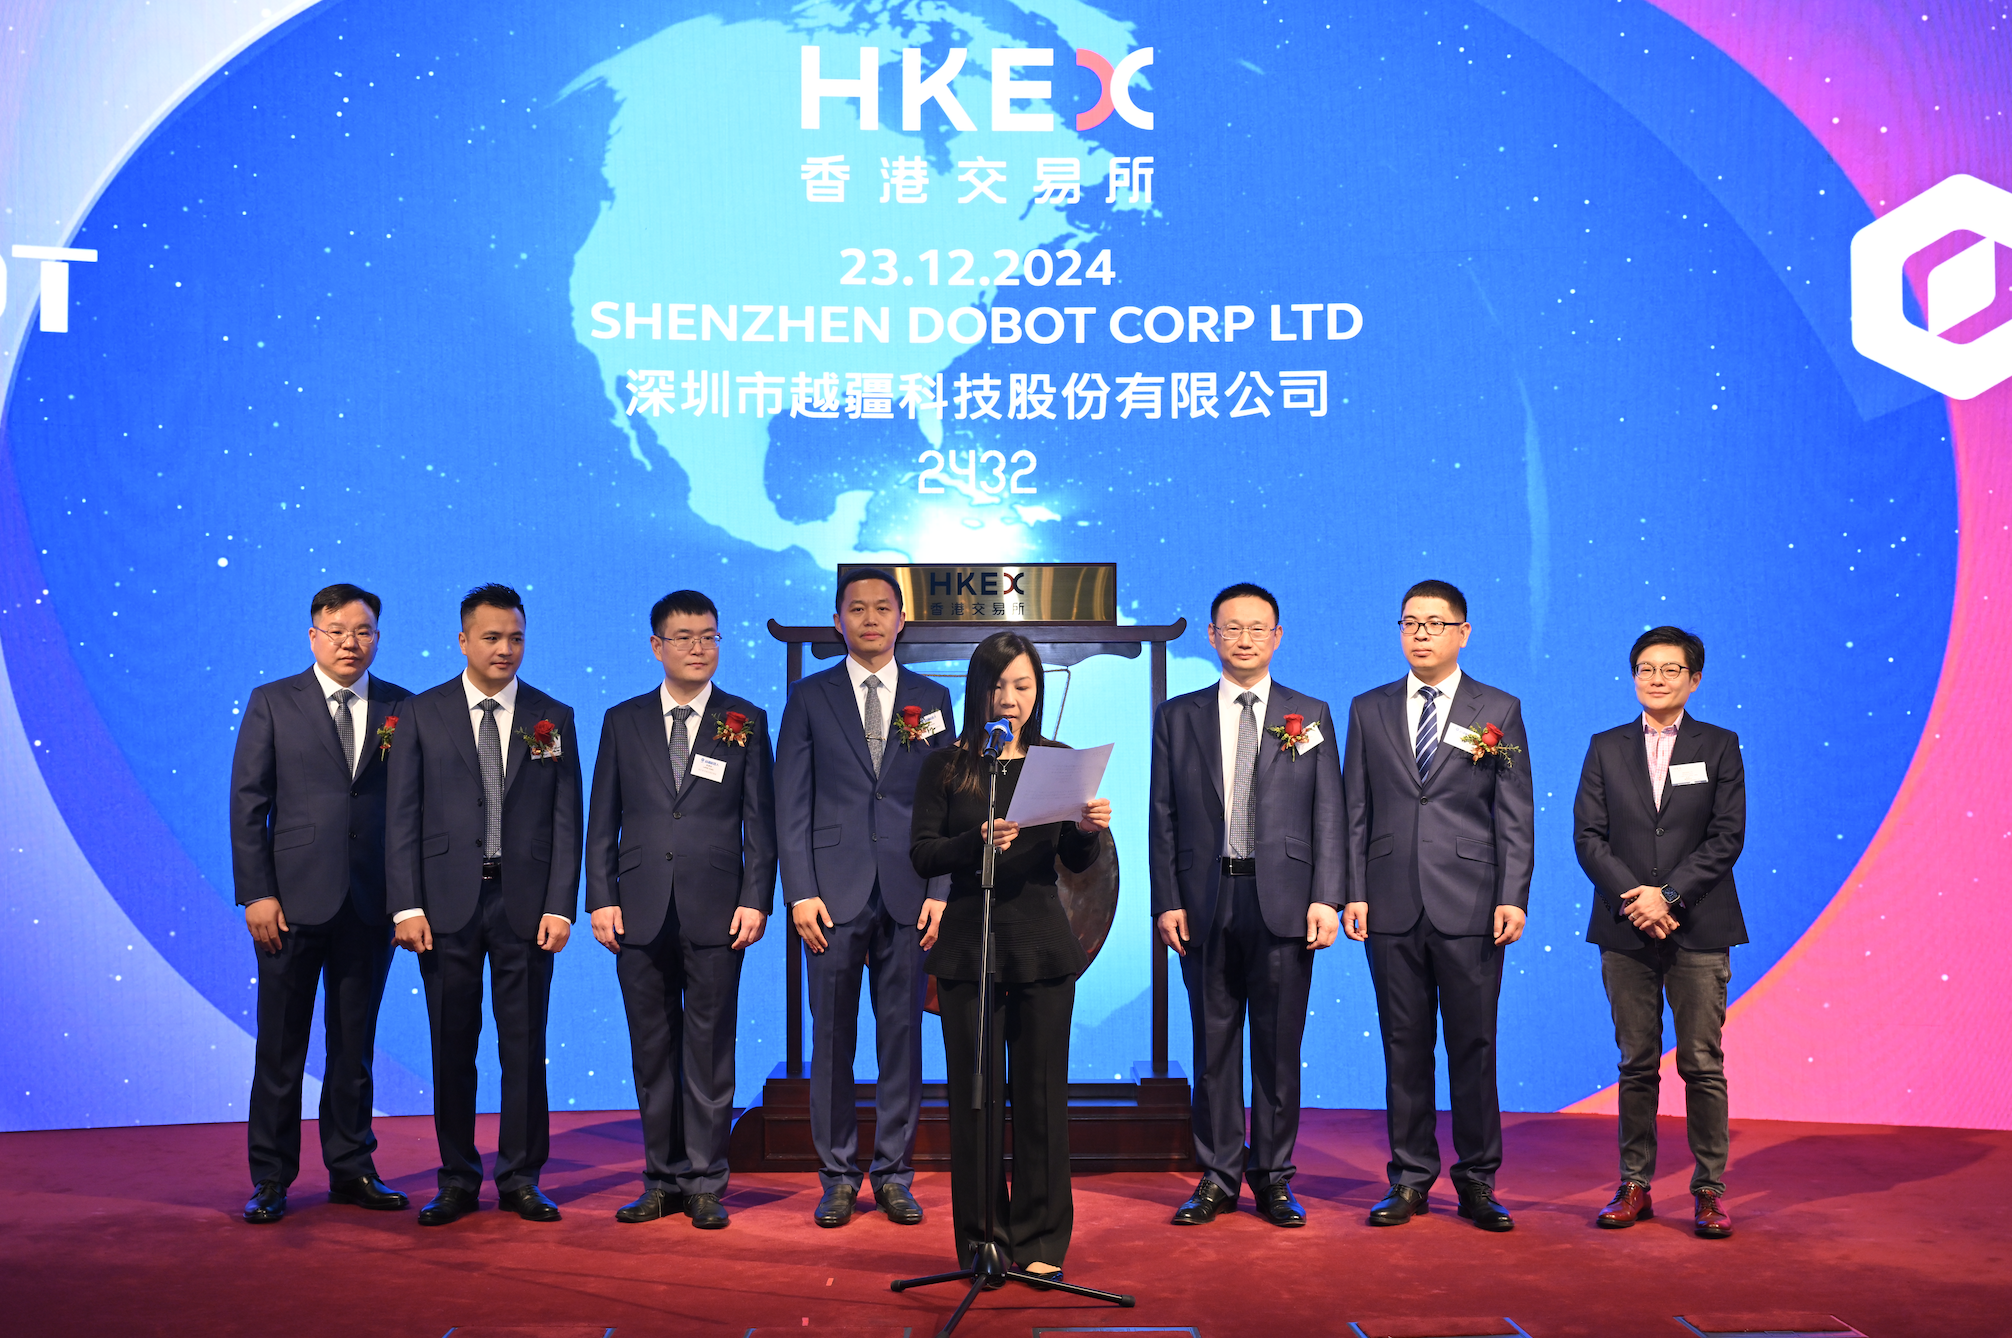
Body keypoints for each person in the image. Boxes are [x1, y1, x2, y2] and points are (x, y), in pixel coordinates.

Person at [911, 632, 1110, 1278]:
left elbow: (1073, 860)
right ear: (979, 690)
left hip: (1041, 946)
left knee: (1041, 1097)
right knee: (974, 1100)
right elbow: (922, 854)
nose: (1011, 698)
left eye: (1023, 686)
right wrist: (976, 840)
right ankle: (982, 1242)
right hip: (969, 946)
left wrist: (1087, 831)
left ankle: (1041, 1241)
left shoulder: (1057, 762)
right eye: (999, 686)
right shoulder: (948, 765)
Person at [385, 583, 582, 1226]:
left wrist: (561, 905)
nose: (505, 649)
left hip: (525, 906)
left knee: (524, 1046)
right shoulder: (422, 712)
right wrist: (406, 906)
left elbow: (566, 820)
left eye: (516, 637)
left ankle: (521, 1176)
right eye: (492, 637)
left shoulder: (552, 716)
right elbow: (401, 816)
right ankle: (457, 1178)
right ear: (463, 640)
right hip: (445, 907)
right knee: (453, 1045)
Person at [1150, 582, 1343, 1229]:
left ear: (1277, 637)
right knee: (1213, 1044)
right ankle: (1217, 1175)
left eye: (1258, 629)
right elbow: (1162, 815)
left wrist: (1327, 897)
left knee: (1278, 1047)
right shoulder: (1179, 717)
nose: (1244, 639)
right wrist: (1167, 900)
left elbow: (1329, 812)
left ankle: (1274, 1178)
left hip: (1284, 900)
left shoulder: (1309, 714)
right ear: (1212, 636)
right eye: (1231, 628)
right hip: (1205, 899)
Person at [1342, 579, 1531, 1232]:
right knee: (1404, 1045)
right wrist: (1353, 890)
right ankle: (1409, 1178)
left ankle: (1477, 1180)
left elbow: (1514, 813)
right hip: (1389, 901)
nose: (1420, 633)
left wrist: (1512, 895)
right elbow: (1355, 808)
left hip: (1471, 903)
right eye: (1410, 622)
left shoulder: (1497, 707)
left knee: (1473, 1046)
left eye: (1434, 623)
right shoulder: (1368, 708)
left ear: (1463, 633)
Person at [586, 589, 776, 1230]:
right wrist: (601, 897)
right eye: (685, 637)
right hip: (638, 907)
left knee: (711, 1047)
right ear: (657, 646)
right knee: (652, 1049)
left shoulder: (745, 719)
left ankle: (704, 1182)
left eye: (709, 636)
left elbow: (761, 822)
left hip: (719, 910)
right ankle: (660, 1180)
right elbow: (601, 819)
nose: (699, 648)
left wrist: (756, 899)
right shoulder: (623, 720)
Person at [775, 568, 955, 1228]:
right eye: (858, 609)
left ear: (902, 620)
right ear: (838, 621)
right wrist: (799, 892)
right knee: (831, 1040)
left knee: (901, 1037)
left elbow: (947, 800)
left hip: (910, 890)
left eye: (883, 608)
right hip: (830, 895)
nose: (871, 619)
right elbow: (789, 803)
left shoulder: (932, 698)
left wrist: (941, 888)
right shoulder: (809, 696)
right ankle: (837, 1176)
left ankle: (894, 1174)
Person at [229, 583, 410, 1224]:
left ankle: (352, 1167)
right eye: (337, 631)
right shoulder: (273, 701)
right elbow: (248, 804)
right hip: (289, 903)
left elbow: (411, 810)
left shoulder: (402, 707)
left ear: (377, 638)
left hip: (370, 902)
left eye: (363, 632)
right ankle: (271, 1178)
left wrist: (407, 901)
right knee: (281, 1049)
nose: (350, 643)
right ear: (314, 636)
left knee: (353, 1046)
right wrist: (257, 892)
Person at [1574, 626, 1746, 1239]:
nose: (1657, 678)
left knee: (1701, 1063)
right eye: (1646, 668)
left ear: (1694, 679)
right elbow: (1588, 837)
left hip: (1697, 925)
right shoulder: (1605, 746)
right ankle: (1635, 1185)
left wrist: (1668, 897)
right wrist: (1637, 900)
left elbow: (1727, 836)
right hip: (1626, 929)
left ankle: (1709, 1192)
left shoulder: (1719, 745)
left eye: (1671, 669)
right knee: (1636, 1064)